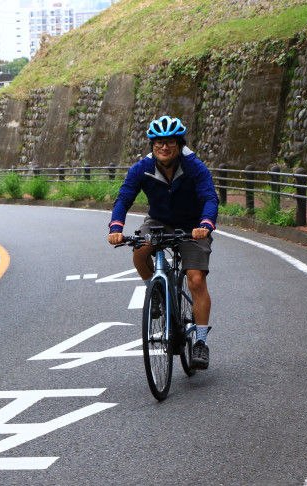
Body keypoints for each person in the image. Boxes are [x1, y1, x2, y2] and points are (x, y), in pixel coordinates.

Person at [107, 115, 218, 370]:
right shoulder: (141, 168)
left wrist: (205, 225)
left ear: (179, 144)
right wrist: (116, 227)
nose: (164, 148)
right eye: (158, 143)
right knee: (139, 251)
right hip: (158, 221)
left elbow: (210, 198)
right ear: (152, 145)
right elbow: (124, 198)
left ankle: (200, 342)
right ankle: (155, 292)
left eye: (169, 143)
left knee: (196, 280)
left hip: (193, 225)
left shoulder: (194, 167)